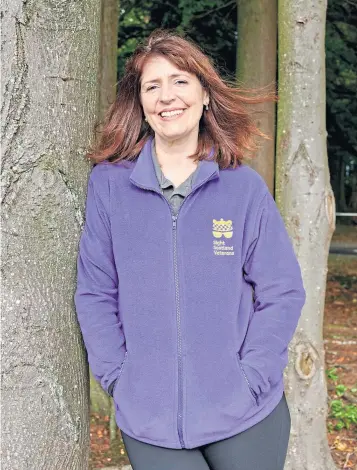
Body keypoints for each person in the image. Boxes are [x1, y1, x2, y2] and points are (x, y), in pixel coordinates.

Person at [74, 28, 306, 470]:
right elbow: (95, 293)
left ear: (204, 94)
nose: (167, 96)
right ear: (140, 103)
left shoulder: (242, 188)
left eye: (180, 81)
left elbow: (283, 290)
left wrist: (253, 376)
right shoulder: (109, 186)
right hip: (151, 421)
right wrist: (119, 378)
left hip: (245, 415)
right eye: (152, 86)